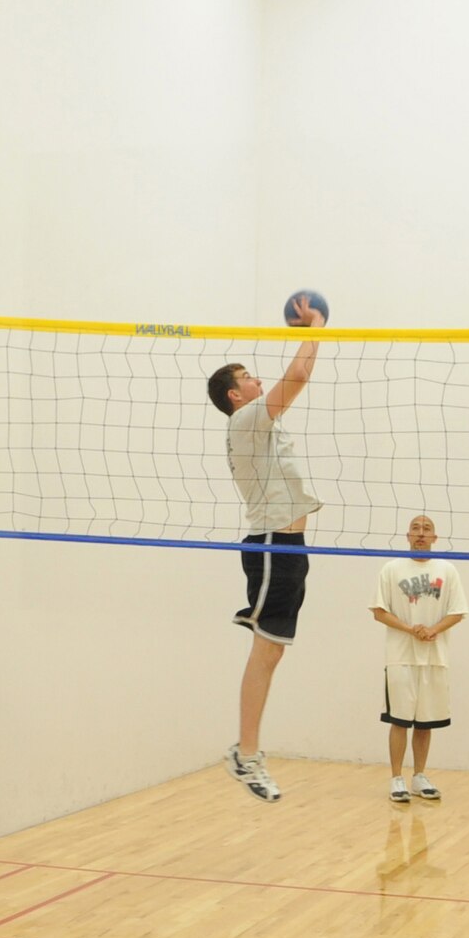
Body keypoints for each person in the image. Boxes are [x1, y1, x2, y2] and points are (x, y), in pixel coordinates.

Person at [208, 292, 328, 803]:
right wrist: (315, 325)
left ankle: (248, 750)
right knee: (264, 652)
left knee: (272, 652)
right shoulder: (246, 419)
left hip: (289, 546)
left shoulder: (257, 424)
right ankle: (246, 754)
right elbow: (298, 377)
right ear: (237, 396)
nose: (258, 381)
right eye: (249, 378)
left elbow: (293, 380)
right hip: (273, 546)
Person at [369, 514, 468, 803]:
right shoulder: (391, 569)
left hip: (435, 658)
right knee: (399, 720)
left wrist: (433, 630)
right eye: (416, 528)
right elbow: (378, 611)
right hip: (400, 657)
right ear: (407, 535)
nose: (421, 533)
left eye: (427, 529)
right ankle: (397, 778)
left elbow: (458, 611)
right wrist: (411, 630)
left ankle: (420, 776)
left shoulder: (447, 570)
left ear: (434, 538)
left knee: (425, 721)